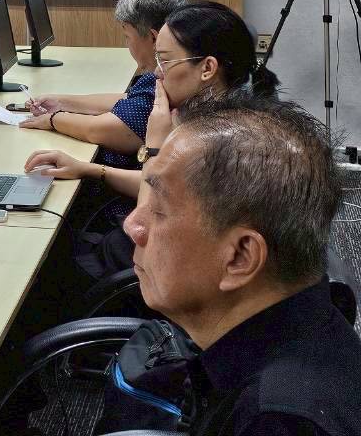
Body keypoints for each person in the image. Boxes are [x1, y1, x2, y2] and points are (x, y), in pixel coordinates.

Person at [122, 94, 361, 435]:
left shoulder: (275, 422)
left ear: (240, 257)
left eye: (159, 210)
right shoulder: (298, 320)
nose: (132, 225)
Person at [25, 1, 279, 206]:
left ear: (207, 68)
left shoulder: (215, 141)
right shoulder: (209, 110)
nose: (157, 72)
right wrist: (89, 169)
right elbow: (168, 186)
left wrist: (154, 147)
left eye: (165, 61)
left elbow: (151, 209)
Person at [21, 0, 186, 175]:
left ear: (153, 37)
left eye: (127, 36)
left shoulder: (164, 78)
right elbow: (129, 100)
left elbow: (101, 129)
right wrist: (62, 102)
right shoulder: (166, 74)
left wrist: (52, 119)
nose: (127, 44)